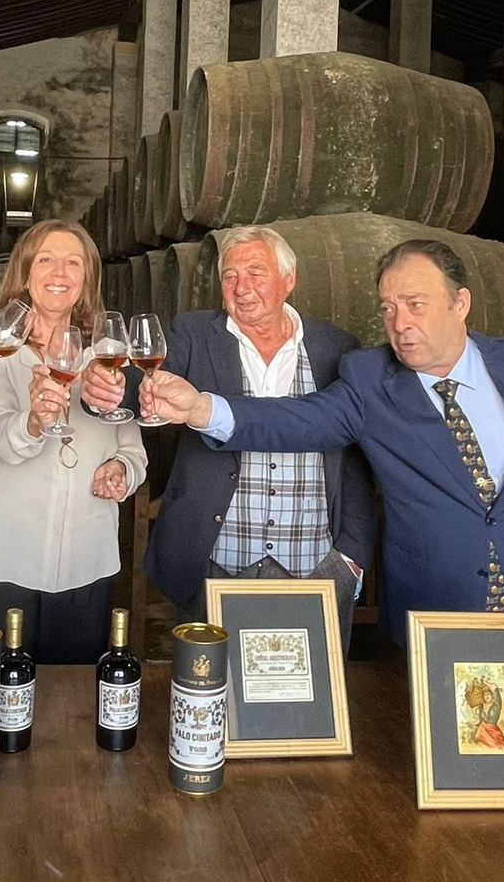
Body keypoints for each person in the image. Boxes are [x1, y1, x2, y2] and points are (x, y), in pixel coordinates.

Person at [142, 238, 504, 709]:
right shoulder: (370, 382)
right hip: (439, 616)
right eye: (388, 308)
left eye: (415, 305)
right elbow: (293, 421)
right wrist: (201, 407)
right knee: (453, 761)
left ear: (459, 303)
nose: (400, 324)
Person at [81, 226, 375, 651]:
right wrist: (100, 391)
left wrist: (352, 556)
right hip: (215, 561)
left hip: (317, 564)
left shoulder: (335, 347)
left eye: (256, 272)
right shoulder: (195, 333)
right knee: (207, 696)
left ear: (289, 280)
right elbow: (137, 381)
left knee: (308, 703)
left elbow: (356, 459)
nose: (242, 287)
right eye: (230, 276)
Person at [0, 220, 147, 664]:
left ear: (86, 279)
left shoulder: (105, 352)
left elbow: (132, 444)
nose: (59, 272)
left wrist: (122, 470)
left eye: (72, 262)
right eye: (45, 260)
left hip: (87, 559)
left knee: (73, 701)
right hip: (3, 555)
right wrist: (33, 422)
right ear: (25, 272)